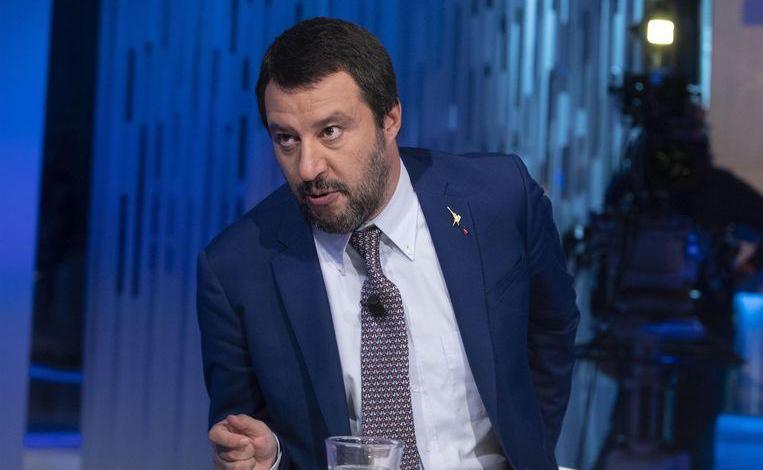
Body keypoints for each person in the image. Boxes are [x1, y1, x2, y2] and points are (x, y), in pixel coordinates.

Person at [197, 17, 579, 470]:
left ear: (390, 119)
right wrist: (270, 457)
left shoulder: (499, 198)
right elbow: (247, 436)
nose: (308, 167)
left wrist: (532, 451)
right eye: (286, 139)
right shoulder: (236, 270)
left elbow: (552, 330)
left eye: (330, 131)